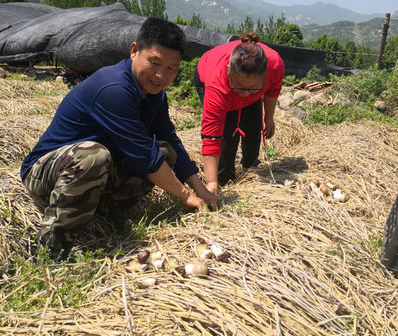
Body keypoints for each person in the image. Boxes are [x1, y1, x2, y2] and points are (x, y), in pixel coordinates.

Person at [21, 17, 217, 260]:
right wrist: (187, 197)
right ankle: (52, 251)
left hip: (95, 170)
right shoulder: (114, 88)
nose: (160, 75)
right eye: (154, 62)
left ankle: (106, 213)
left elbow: (169, 138)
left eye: (171, 68)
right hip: (46, 170)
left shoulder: (154, 92)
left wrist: (200, 188)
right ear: (134, 50)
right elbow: (146, 158)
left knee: (166, 150)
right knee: (93, 156)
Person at [194, 32, 285, 192]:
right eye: (240, 86)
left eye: (252, 88)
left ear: (264, 76)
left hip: (241, 84)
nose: (245, 94)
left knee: (253, 126)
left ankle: (250, 166)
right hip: (214, 79)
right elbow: (211, 136)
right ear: (229, 71)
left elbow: (273, 90)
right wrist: (211, 182)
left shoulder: (275, 65)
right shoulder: (217, 84)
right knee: (227, 132)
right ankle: (224, 178)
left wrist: (269, 117)